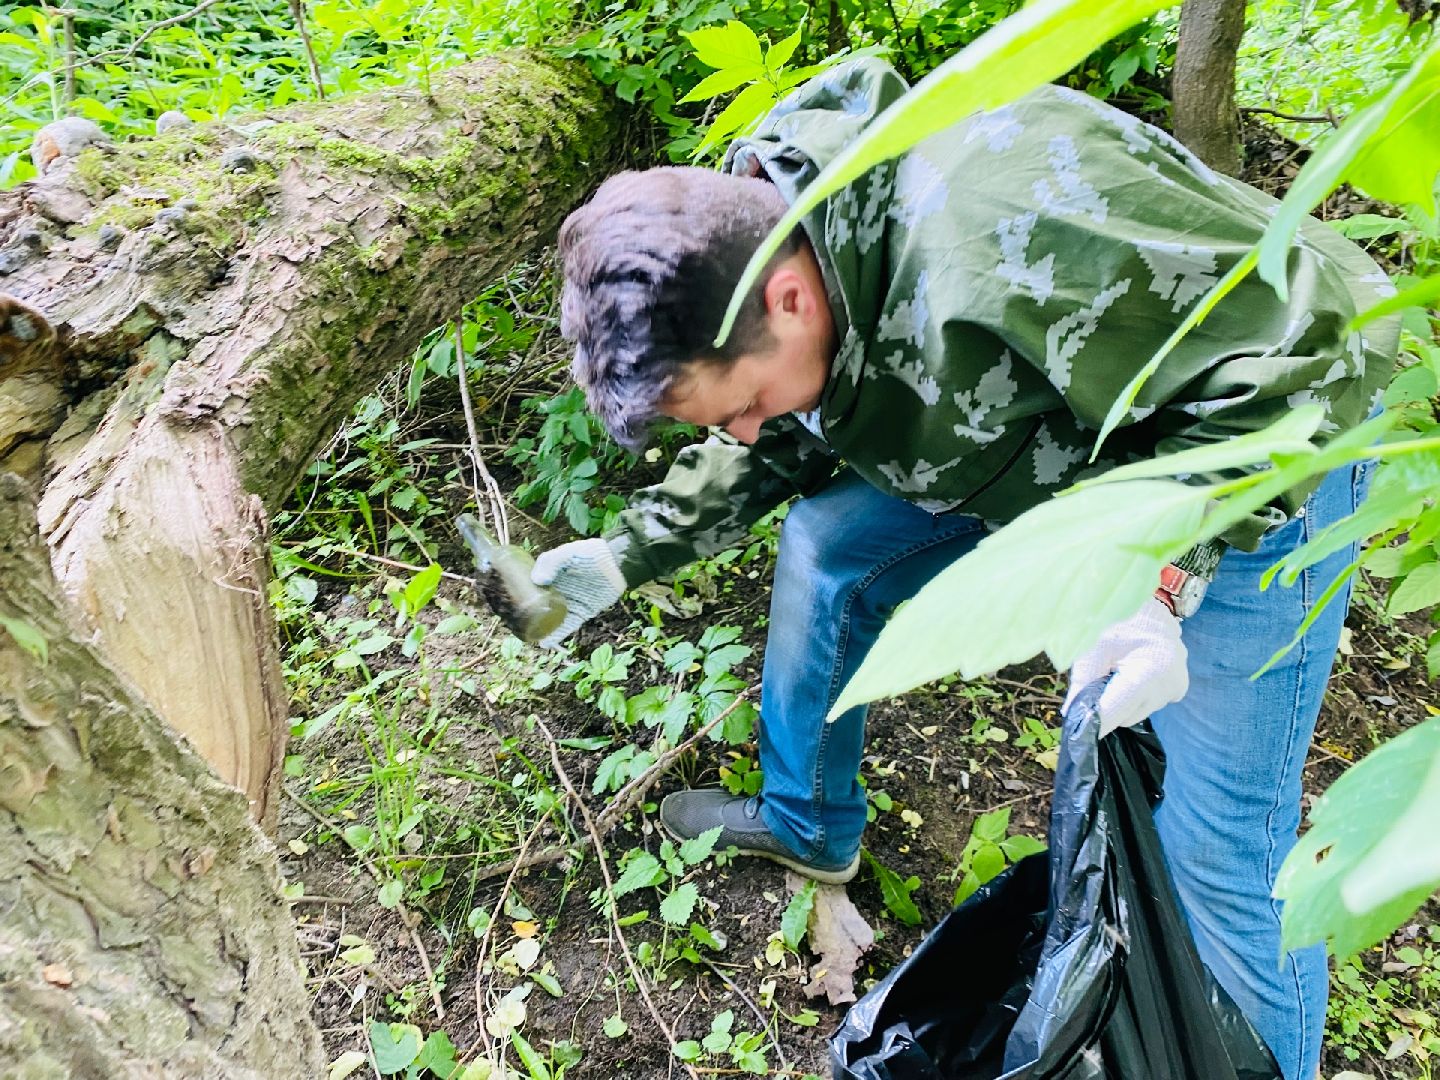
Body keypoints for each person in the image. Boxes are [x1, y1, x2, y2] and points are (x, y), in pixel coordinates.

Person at [530, 57, 1399, 1080]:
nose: (750, 433)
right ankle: (807, 822)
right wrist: (623, 554)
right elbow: (791, 423)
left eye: (744, 406)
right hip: (1034, 438)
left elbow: (1300, 366)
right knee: (832, 547)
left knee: (1212, 845)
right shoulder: (764, 234)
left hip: (1268, 450)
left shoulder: (1015, 241)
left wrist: (1163, 588)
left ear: (792, 296)